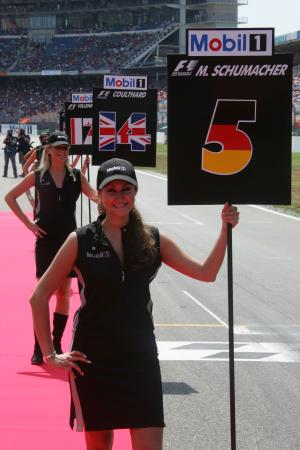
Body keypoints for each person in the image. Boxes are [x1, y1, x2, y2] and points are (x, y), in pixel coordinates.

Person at [29, 157, 239, 450]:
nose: (119, 196)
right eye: (111, 189)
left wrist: (225, 230)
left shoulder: (152, 239)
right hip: (92, 360)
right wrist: (51, 355)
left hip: (140, 359)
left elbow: (206, 273)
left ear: (135, 192)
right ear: (99, 195)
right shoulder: (81, 240)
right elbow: (38, 297)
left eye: (125, 188)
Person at [5, 131, 98, 365]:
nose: (63, 152)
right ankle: (39, 346)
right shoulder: (38, 176)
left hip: (69, 242)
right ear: (48, 150)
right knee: (42, 294)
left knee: (64, 294)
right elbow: (10, 197)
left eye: (65, 148)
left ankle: (56, 343)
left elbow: (97, 198)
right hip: (45, 241)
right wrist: (28, 224)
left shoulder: (76, 176)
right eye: (58, 148)